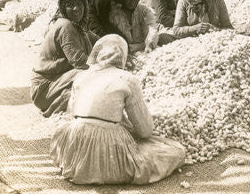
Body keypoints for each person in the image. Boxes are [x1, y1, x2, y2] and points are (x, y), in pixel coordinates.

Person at [50, 34, 186, 185]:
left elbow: (70, 116)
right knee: (176, 151)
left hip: (73, 147)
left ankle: (81, 166)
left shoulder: (81, 76)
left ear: (97, 54)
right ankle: (105, 170)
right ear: (123, 55)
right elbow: (145, 131)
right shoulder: (127, 79)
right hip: (105, 148)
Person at [32, 0, 98, 117]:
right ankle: (53, 108)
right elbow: (79, 61)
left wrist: (116, 46)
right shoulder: (65, 26)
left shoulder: (78, 25)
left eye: (79, 4)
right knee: (90, 73)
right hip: (45, 89)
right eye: (70, 5)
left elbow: (98, 40)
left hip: (56, 82)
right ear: (63, 8)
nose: (76, 9)